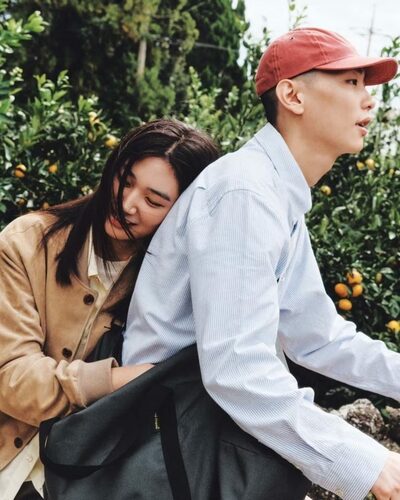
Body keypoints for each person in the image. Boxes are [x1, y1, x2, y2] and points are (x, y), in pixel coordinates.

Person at [122, 28, 400, 499]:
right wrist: (368, 462)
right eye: (351, 82)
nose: (369, 99)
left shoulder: (272, 194)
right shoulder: (245, 191)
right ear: (292, 95)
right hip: (168, 447)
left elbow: (316, 336)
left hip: (196, 436)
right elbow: (237, 368)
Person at [0, 118, 219, 500]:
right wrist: (118, 380)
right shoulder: (27, 243)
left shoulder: (184, 287)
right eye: (125, 180)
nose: (127, 204)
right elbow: (11, 379)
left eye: (153, 201)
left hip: (103, 472)